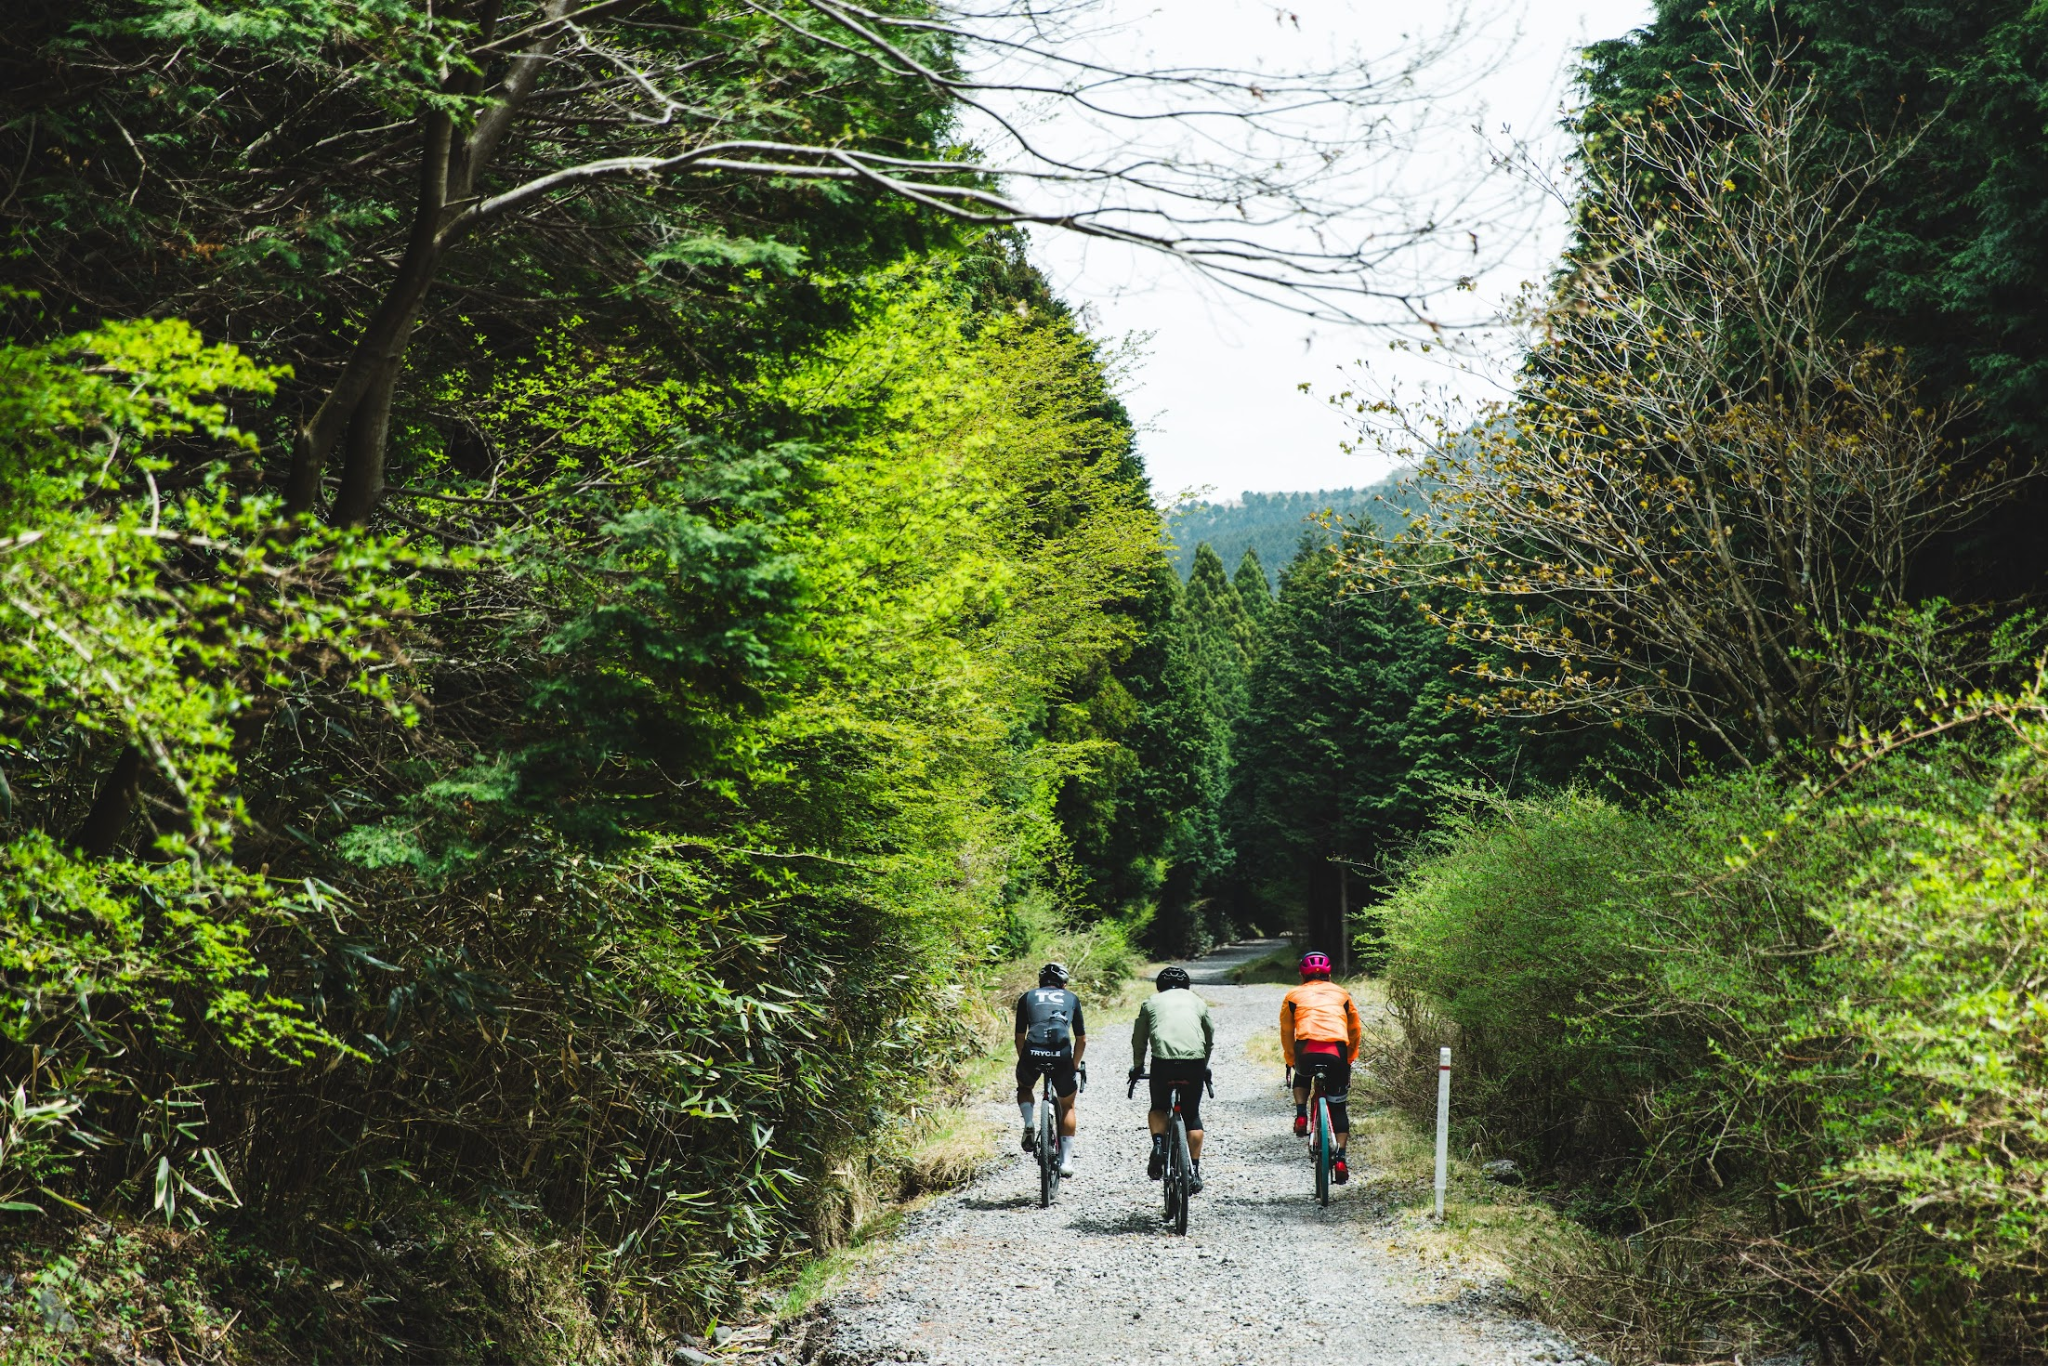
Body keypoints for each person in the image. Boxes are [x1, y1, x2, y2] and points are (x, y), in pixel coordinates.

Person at [1129, 964, 1216, 1194]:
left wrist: (1138, 1066)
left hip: (1163, 1063)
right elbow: (1209, 1036)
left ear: (1160, 987)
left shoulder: (1150, 1002)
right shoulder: (1198, 1001)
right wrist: (1203, 1064)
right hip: (1194, 1063)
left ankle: (1158, 1145)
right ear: (1187, 985)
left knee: (1159, 1106)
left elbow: (1139, 1038)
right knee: (1192, 1115)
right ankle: (1194, 1171)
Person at [1280, 949, 1362, 1184]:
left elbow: (1287, 1031)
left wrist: (1290, 1058)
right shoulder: (1342, 994)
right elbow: (1354, 1029)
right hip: (1337, 1052)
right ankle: (1341, 1159)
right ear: (1329, 973)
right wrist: (1350, 1057)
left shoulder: (1293, 995)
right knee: (1338, 1108)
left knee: (1302, 1072)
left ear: (1301, 973)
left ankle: (1301, 1115)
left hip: (1306, 1051)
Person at [1015, 962, 1087, 1178]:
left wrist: (1025, 1060)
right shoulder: (1071, 998)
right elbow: (1081, 1039)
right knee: (1068, 1105)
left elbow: (1019, 1036)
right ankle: (1066, 1161)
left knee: (1024, 1087)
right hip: (1061, 1054)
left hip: (1032, 1053)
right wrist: (1074, 1065)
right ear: (1063, 984)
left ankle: (1029, 1122)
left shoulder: (1027, 997)